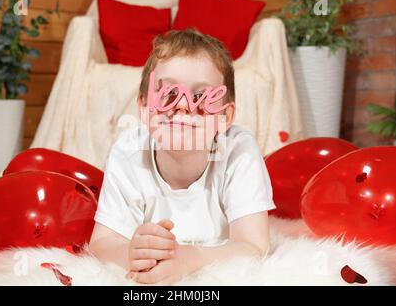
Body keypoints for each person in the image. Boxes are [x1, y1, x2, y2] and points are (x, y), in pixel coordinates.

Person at [89, 28, 275, 285]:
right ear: (144, 108)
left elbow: (254, 246)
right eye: (167, 94)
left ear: (225, 117)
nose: (184, 106)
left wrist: (190, 258)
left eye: (202, 97)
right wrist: (131, 254)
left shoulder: (238, 150)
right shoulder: (128, 151)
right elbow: (102, 244)